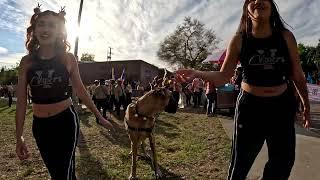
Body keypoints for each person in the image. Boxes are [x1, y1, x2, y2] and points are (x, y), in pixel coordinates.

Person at [176, 0, 310, 179]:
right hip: (250, 108)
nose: (258, 1)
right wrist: (196, 72)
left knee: (282, 164)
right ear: (247, 9)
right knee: (240, 165)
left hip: (282, 107)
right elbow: (224, 76)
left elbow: (298, 75)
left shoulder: (286, 37)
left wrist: (306, 105)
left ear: (272, 6)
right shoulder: (239, 39)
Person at [15, 5, 113, 180]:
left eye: (52, 25)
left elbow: (81, 91)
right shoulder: (26, 62)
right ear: (34, 30)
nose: (46, 29)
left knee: (60, 176)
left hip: (65, 123)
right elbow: (21, 101)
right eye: (42, 24)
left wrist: (99, 116)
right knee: (61, 172)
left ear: (59, 30)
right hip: (40, 127)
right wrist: (19, 137)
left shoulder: (67, 59)